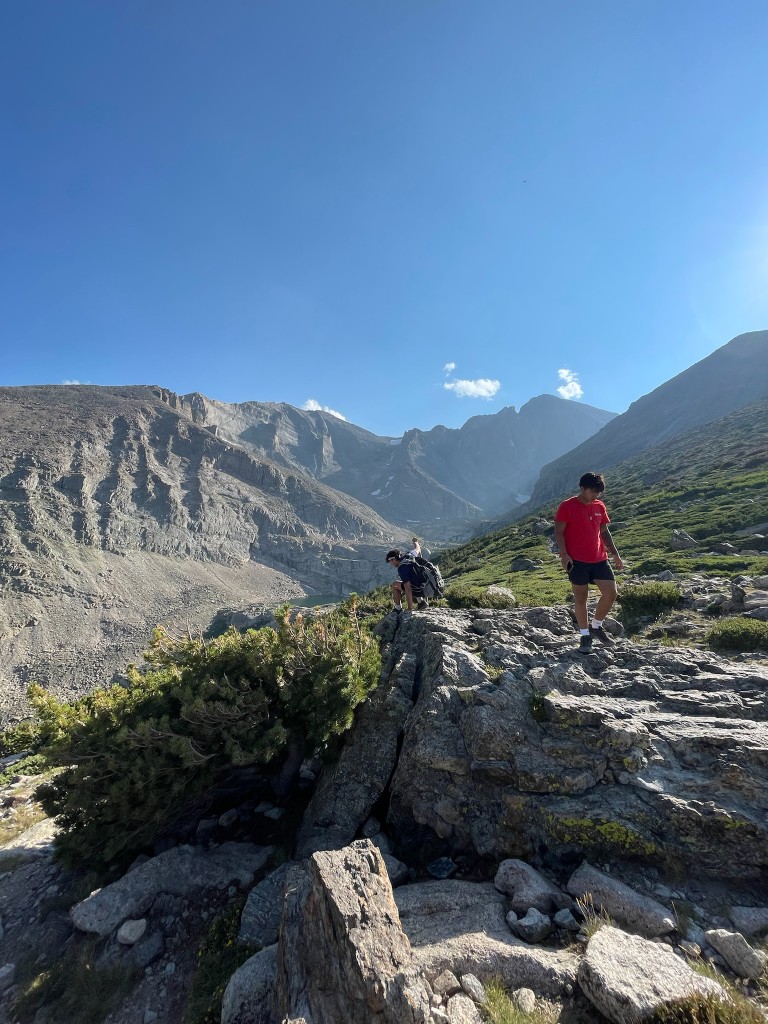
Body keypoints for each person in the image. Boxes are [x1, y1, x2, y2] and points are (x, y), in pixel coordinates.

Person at [554, 471, 624, 653]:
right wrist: (564, 554)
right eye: (593, 491)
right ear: (582, 488)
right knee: (581, 599)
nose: (596, 495)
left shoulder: (600, 506)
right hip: (577, 560)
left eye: (598, 492)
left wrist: (615, 553)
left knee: (611, 593)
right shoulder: (567, 506)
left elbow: (604, 531)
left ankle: (596, 626)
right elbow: (559, 532)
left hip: (600, 558)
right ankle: (585, 635)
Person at [385, 548, 428, 614]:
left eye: (390, 561)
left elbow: (408, 589)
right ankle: (421, 602)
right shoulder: (409, 555)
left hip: (418, 590)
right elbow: (417, 549)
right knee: (413, 580)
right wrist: (415, 542)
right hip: (425, 586)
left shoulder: (402, 568)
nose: (391, 564)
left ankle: (398, 608)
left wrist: (409, 608)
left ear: (393, 559)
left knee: (395, 585)